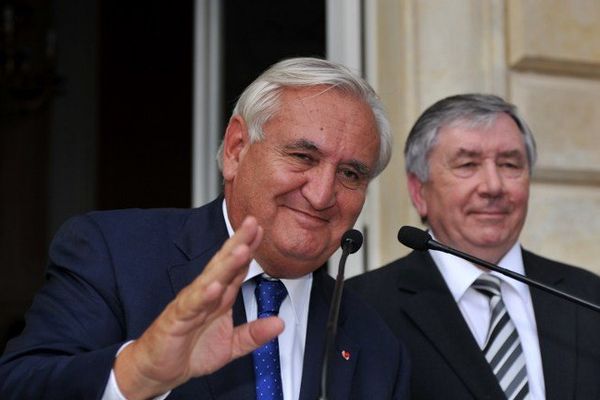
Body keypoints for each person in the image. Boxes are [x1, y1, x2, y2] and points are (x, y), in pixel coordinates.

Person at [0, 57, 409, 399]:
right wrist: (136, 373)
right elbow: (18, 386)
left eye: (351, 174)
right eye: (302, 156)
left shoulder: (376, 343)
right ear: (236, 150)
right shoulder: (113, 254)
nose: (322, 195)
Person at [347, 93, 600, 400]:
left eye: (509, 164)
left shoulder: (586, 296)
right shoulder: (360, 307)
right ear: (418, 191)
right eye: (467, 164)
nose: (493, 186)